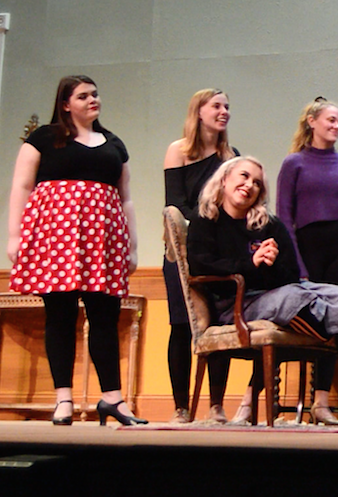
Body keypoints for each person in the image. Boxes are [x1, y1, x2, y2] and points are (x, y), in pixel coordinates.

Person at [187, 156, 338, 427]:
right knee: (298, 299)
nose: (249, 185)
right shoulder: (206, 218)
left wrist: (271, 264)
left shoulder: (269, 224)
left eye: (256, 183)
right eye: (243, 176)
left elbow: (289, 276)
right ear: (225, 179)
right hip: (236, 303)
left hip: (282, 294)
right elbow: (201, 264)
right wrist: (250, 264)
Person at [7, 75, 145, 426]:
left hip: (102, 239)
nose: (92, 100)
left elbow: (126, 197)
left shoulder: (114, 143)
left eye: (95, 94)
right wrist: (14, 237)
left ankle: (113, 399)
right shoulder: (43, 139)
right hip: (55, 238)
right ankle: (63, 399)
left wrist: (132, 243)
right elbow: (21, 186)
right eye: (83, 96)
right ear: (66, 104)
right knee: (61, 315)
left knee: (104, 316)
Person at [276, 98, 338, 426]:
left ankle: (321, 402)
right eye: (331, 120)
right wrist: (297, 267)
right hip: (307, 248)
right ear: (312, 121)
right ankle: (254, 397)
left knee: (336, 319)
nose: (337, 127)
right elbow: (284, 219)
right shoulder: (294, 163)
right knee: (307, 320)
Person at [162, 88, 237, 424]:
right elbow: (175, 204)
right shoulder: (177, 151)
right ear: (199, 112)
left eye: (227, 107)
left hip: (218, 252)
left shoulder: (231, 156)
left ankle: (217, 405)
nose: (224, 112)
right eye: (217, 106)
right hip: (183, 252)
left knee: (219, 325)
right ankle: (180, 407)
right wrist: (208, 220)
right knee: (181, 326)